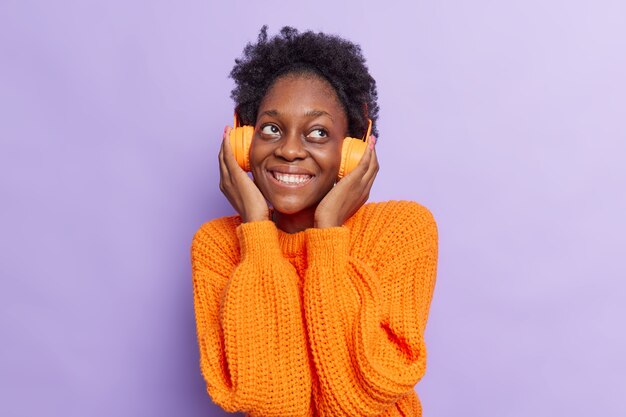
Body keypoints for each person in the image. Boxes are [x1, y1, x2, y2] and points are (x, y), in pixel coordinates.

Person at [190, 26, 438, 417]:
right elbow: (274, 402)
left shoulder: (403, 229)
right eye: (271, 128)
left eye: (318, 132)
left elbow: (359, 403)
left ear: (352, 150)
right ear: (243, 140)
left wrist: (328, 234)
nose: (289, 150)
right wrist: (256, 230)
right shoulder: (219, 245)